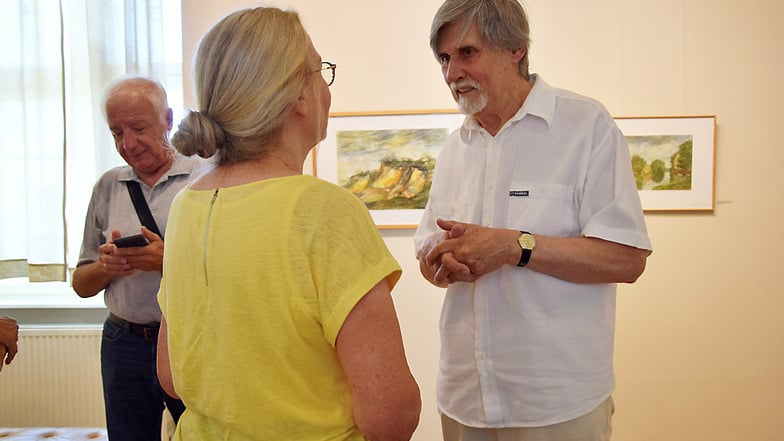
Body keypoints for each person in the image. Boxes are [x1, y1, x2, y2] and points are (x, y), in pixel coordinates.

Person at [155, 7, 421, 441]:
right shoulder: (323, 210)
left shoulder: (186, 206)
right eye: (321, 72)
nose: (325, 88)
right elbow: (390, 415)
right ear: (298, 96)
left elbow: (170, 375)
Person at [414, 1, 654, 440]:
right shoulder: (455, 148)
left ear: (515, 50)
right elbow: (428, 256)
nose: (451, 74)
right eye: (445, 59)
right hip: (465, 397)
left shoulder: (585, 126)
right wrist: (440, 263)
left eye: (467, 53)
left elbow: (627, 259)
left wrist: (513, 246)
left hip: (556, 404)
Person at [72, 75, 203, 441]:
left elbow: (233, 272)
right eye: (116, 132)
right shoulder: (107, 186)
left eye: (139, 127)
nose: (128, 143)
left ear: (168, 119)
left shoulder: (205, 176)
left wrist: (168, 260)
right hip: (123, 343)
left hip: (189, 338)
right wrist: (105, 267)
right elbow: (81, 285)